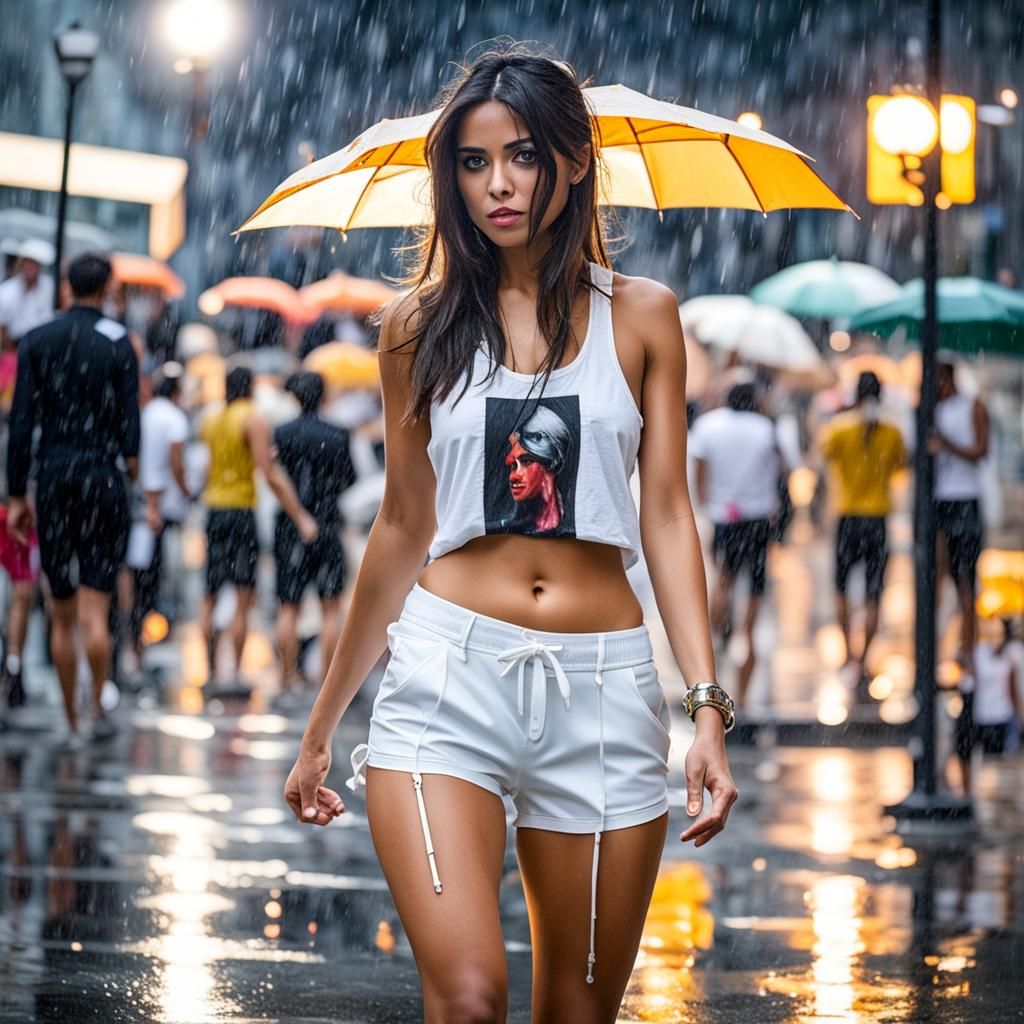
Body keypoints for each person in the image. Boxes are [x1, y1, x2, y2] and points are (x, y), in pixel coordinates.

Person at [283, 47, 738, 1022]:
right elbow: (403, 525)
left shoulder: (644, 318)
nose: (498, 183)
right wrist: (321, 727)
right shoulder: (415, 327)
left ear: (572, 163)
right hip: (447, 680)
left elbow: (666, 513)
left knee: (576, 1012)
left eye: (523, 155)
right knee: (469, 997)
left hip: (604, 692)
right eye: (474, 161)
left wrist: (705, 705)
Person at [6, 252, 140, 742]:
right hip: (102, 475)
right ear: (107, 288)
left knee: (60, 607)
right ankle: (97, 705)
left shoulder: (37, 339)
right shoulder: (119, 342)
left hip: (54, 475)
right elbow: (131, 431)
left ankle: (70, 717)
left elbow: (21, 424)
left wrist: (17, 494)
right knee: (95, 608)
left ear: (66, 287)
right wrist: (126, 466)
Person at [198, 366, 318, 692]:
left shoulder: (213, 420)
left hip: (214, 510)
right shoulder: (253, 419)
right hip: (240, 511)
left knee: (209, 595)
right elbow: (270, 472)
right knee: (242, 596)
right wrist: (299, 514)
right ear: (249, 388)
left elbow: (208, 467)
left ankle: (210, 671)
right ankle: (235, 673)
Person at [689, 380, 789, 708]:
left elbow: (700, 472)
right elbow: (783, 468)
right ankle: (747, 632)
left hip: (725, 517)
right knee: (756, 585)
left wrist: (708, 504)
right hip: (757, 518)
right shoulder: (765, 429)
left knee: (724, 578)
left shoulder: (708, 426)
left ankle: (717, 634)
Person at [818, 371, 908, 684]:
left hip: (849, 519)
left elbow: (822, 455)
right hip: (877, 520)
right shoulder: (893, 432)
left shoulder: (839, 429)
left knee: (841, 588)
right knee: (874, 592)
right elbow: (900, 467)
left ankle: (848, 653)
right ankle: (864, 656)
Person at [273, 371, 356, 700]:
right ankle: (326, 686)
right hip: (328, 524)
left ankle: (287, 678)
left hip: (291, 526)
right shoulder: (339, 434)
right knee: (331, 610)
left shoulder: (282, 433)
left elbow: (276, 476)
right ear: (323, 396)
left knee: (288, 607)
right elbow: (349, 478)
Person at [128, 361, 190, 671]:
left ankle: (136, 644)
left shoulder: (146, 413)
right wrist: (187, 488)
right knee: (159, 579)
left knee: (138, 581)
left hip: (140, 507)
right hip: (163, 510)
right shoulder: (175, 419)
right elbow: (177, 463)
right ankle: (149, 639)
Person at [930, 361, 990, 668]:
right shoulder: (932, 410)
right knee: (939, 573)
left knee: (965, 578)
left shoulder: (972, 406)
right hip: (940, 500)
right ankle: (938, 643)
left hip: (965, 498)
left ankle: (968, 646)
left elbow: (981, 450)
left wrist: (947, 445)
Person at [956, 619, 1021, 797]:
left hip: (999, 715)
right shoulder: (980, 654)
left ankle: (993, 794)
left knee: (995, 760)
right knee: (977, 756)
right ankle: (973, 792)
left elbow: (1012, 689)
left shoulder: (1010, 657)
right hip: (982, 714)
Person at [0, 239, 56, 350]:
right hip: (16, 346)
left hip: (43, 344)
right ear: (21, 264)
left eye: (34, 264)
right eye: (28, 262)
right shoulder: (6, 291)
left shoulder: (49, 287)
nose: (31, 267)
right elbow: (3, 328)